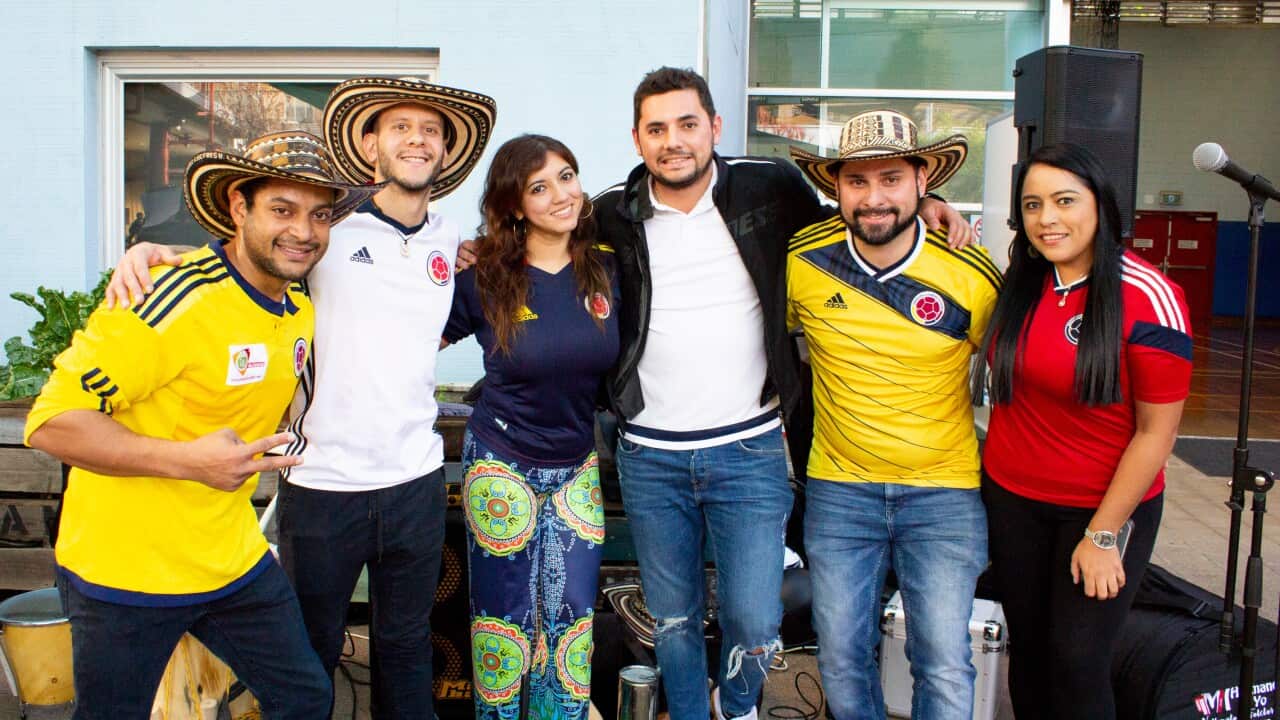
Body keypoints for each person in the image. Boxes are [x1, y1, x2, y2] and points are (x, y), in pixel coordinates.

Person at [105, 76, 497, 719]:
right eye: (400, 127)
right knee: (310, 655)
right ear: (371, 144)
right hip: (321, 484)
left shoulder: (449, 240)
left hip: (416, 481)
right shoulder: (328, 227)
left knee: (405, 645)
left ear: (447, 152)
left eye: (431, 130)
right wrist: (155, 253)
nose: (417, 140)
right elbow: (243, 261)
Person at [593, 67, 973, 720]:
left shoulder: (770, 189)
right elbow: (546, 243)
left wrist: (928, 209)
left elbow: (855, 221)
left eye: (687, 124)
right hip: (650, 454)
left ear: (714, 127)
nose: (673, 141)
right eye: (657, 129)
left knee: (755, 616)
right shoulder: (613, 215)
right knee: (675, 618)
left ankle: (736, 703)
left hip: (749, 450)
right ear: (637, 139)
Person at [25, 131, 377, 719]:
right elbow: (51, 422)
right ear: (239, 208)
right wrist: (189, 461)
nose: (304, 231)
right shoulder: (167, 296)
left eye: (319, 215)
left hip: (229, 559)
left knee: (306, 698)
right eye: (282, 210)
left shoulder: (298, 309)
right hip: (125, 570)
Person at [784, 109, 1000, 720]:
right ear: (836, 189)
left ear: (922, 180)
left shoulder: (972, 271)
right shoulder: (803, 259)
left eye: (891, 179)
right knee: (841, 656)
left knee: (942, 658)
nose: (874, 198)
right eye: (857, 181)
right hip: (839, 493)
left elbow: (1023, 375)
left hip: (944, 495)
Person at [972, 142, 1191, 719]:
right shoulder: (1021, 282)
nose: (1048, 219)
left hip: (1100, 509)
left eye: (1065, 201)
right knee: (1032, 656)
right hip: (1014, 502)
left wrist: (1102, 536)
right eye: (1033, 204)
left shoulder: (1148, 294)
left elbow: (1156, 434)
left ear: (1100, 204)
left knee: (1078, 663)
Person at [441, 134, 617, 720]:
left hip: (576, 467)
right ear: (516, 205)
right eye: (539, 187)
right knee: (503, 623)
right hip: (501, 464)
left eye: (567, 176)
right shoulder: (485, 275)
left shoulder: (609, 270)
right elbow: (409, 338)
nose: (561, 195)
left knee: (571, 622)